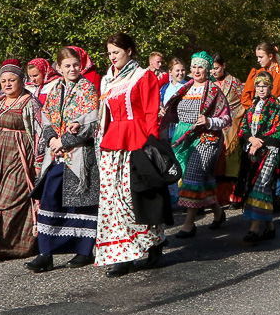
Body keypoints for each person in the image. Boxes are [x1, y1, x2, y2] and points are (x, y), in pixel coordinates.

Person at [93, 33, 167, 277]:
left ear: (130, 51)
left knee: (132, 197)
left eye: (116, 52)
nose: (112, 57)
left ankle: (154, 242)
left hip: (136, 140)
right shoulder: (107, 80)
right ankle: (122, 255)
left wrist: (151, 146)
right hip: (112, 142)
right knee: (112, 199)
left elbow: (150, 112)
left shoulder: (143, 76)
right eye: (109, 53)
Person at [26, 46, 102, 272]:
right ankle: (45, 252)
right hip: (56, 155)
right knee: (50, 199)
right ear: (58, 68)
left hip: (79, 156)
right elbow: (46, 117)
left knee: (81, 203)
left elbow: (92, 122)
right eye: (67, 66)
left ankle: (84, 251)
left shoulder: (88, 88)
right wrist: (52, 140)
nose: (72, 69)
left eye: (76, 65)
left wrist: (65, 141)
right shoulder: (55, 88)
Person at [0, 60, 44, 261]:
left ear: (21, 81)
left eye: (12, 80)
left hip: (19, 156)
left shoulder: (30, 103)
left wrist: (39, 162)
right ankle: (8, 246)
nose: (7, 84)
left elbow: (40, 133)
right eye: (4, 81)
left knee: (8, 200)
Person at [163, 52, 233, 238]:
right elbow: (175, 113)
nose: (196, 70)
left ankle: (188, 224)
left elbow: (227, 119)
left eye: (200, 67)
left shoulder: (214, 91)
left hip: (206, 139)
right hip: (184, 138)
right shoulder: (184, 89)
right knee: (200, 179)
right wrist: (165, 114)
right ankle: (218, 213)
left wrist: (209, 121)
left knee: (193, 176)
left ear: (207, 69)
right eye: (194, 66)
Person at [236, 70, 280, 244]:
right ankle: (270, 226)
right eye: (258, 86)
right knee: (258, 186)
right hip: (253, 152)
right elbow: (243, 128)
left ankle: (253, 229)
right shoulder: (252, 107)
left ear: (270, 87)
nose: (261, 89)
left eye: (264, 86)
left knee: (260, 185)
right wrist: (251, 140)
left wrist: (260, 142)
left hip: (269, 151)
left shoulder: (275, 107)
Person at [209, 54, 246, 211]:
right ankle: (217, 197)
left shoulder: (235, 83)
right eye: (211, 69)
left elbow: (243, 103)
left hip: (232, 127)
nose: (214, 71)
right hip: (214, 127)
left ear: (224, 65)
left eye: (216, 68)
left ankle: (235, 197)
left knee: (232, 161)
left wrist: (232, 119)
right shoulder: (209, 84)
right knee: (216, 162)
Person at [241, 42, 280, 109]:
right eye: (257, 57)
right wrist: (255, 108)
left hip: (278, 112)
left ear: (270, 56)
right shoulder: (257, 73)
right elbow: (245, 98)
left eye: (261, 57)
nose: (258, 60)